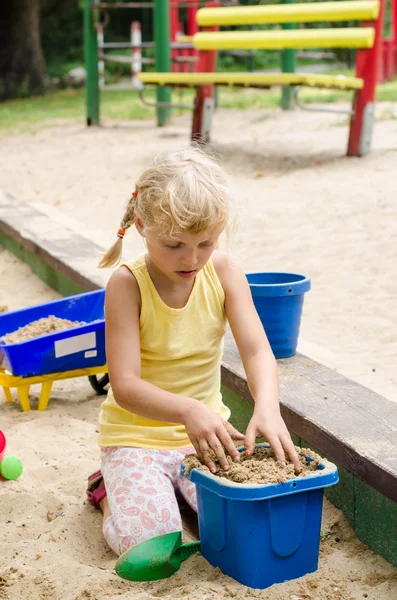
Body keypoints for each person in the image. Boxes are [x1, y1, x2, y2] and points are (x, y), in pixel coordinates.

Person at [86, 147, 300, 557]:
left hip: (206, 434)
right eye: (174, 245)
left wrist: (267, 406)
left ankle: (168, 494)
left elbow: (257, 351)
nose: (191, 258)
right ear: (140, 225)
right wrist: (187, 410)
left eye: (206, 243)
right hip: (136, 437)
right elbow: (126, 386)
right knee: (151, 546)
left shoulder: (222, 271)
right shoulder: (127, 285)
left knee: (249, 527)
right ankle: (105, 489)